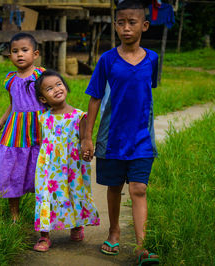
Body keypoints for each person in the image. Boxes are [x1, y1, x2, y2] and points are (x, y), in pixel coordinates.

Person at [82, 0, 160, 264]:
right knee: (114, 187)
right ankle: (114, 231)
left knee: (139, 188)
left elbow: (149, 90)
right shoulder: (107, 60)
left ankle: (141, 246)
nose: (126, 28)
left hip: (141, 139)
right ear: (115, 25)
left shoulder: (152, 59)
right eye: (121, 22)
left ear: (144, 26)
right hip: (111, 138)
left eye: (132, 22)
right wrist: (87, 136)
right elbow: (94, 98)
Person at [32, 70, 100, 252]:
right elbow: (41, 142)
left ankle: (77, 226)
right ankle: (44, 236)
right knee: (45, 197)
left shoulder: (79, 116)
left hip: (72, 167)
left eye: (59, 84)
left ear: (66, 87)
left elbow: (85, 142)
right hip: (49, 168)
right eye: (49, 89)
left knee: (74, 194)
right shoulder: (43, 117)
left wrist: (86, 152)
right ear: (43, 99)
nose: (56, 89)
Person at [0, 33, 45, 223]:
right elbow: (13, 104)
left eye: (24, 50)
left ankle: (43, 214)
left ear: (35, 54)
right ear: (9, 55)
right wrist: (1, 122)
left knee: (42, 171)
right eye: (15, 51)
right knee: (13, 170)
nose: (19, 55)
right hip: (16, 132)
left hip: (40, 130)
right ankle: (14, 216)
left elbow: (53, 102)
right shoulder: (10, 80)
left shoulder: (41, 76)